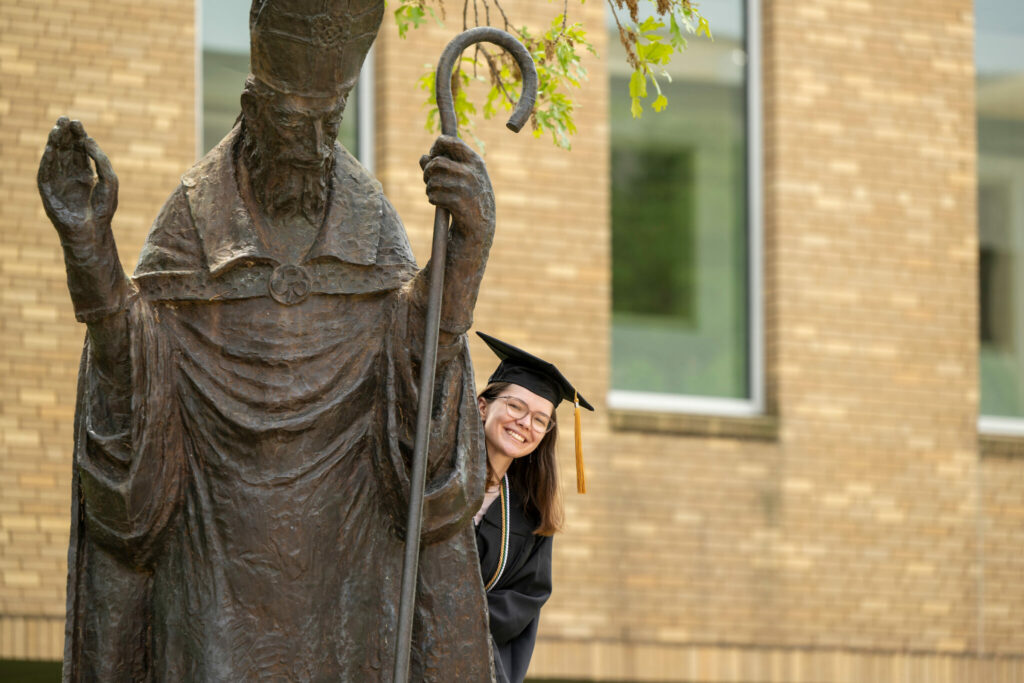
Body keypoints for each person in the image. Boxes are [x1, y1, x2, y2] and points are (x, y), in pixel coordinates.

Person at [37, 1, 498, 680]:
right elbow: (134, 366)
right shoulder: (193, 226)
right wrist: (88, 246)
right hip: (213, 559)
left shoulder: (370, 226)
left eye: (328, 123)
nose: (313, 146)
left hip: (350, 566)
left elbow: (418, 371)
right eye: (291, 123)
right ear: (252, 110)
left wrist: (466, 252)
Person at [473, 332, 594, 683]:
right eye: (515, 407)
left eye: (540, 419)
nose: (525, 424)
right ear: (483, 406)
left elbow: (525, 598)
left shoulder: (530, 514)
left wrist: (462, 611)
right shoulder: (432, 477)